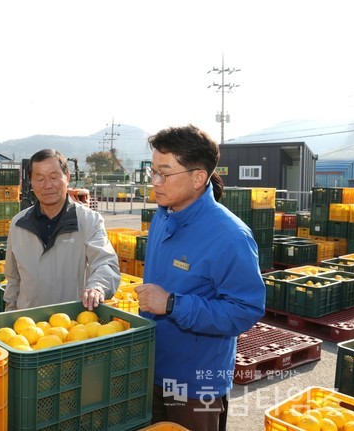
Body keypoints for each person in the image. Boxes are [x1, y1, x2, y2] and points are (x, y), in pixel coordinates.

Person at [135, 125, 265, 431]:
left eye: (164, 173)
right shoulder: (162, 217)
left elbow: (244, 310)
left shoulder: (230, 236)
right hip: (151, 369)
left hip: (194, 384)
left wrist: (172, 305)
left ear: (198, 177)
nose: (155, 182)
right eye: (152, 172)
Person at [3, 149, 120, 311]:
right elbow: (13, 280)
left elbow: (105, 263)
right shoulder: (18, 224)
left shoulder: (88, 221)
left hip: (71, 327)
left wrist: (97, 287)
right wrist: (10, 314)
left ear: (68, 178)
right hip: (28, 327)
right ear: (30, 182)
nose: (47, 185)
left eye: (54, 177)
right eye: (39, 178)